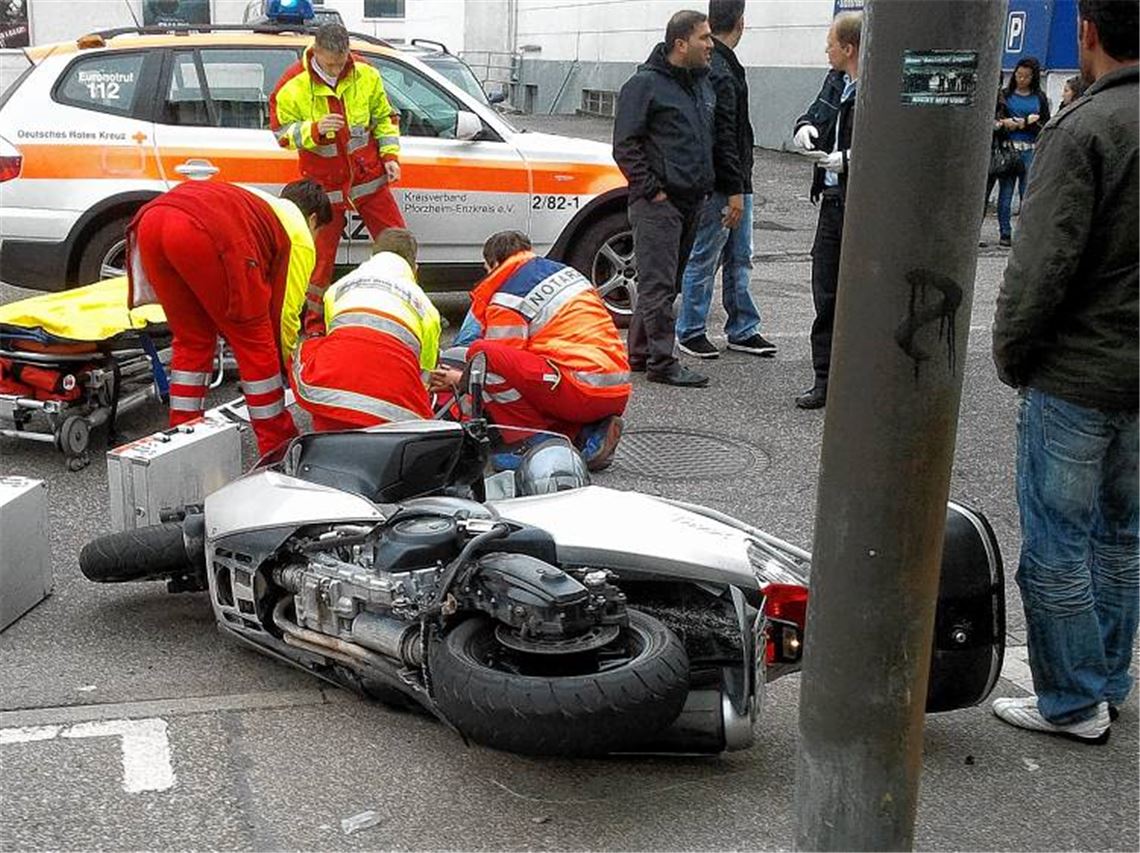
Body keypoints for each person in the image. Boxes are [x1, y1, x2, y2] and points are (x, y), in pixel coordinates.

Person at [991, 0, 1138, 744]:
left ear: (1088, 33)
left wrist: (1012, 353)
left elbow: (1041, 265)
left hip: (1078, 373)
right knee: (1121, 537)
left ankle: (1075, 700)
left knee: (1057, 545)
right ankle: (1106, 680)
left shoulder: (1083, 128)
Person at [127, 179, 332, 455]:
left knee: (192, 340)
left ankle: (183, 434)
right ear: (313, 219)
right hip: (204, 231)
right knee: (254, 342)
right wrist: (286, 369)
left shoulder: (260, 200)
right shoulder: (299, 234)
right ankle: (277, 443)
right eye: (319, 233)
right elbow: (284, 318)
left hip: (151, 220)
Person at [430, 231, 630, 472]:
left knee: (482, 352)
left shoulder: (507, 294)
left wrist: (461, 382)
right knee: (532, 374)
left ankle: (533, 442)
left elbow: (492, 367)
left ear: (494, 263)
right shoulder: (564, 273)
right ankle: (587, 432)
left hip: (579, 389)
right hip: (614, 389)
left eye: (486, 268)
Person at [270, 22, 406, 326]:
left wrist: (390, 157)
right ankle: (313, 324)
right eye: (330, 64)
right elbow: (281, 134)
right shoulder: (293, 83)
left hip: (369, 178)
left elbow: (385, 119)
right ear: (315, 51)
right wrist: (314, 131)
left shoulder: (365, 72)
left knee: (398, 244)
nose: (335, 69)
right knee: (317, 262)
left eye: (341, 62)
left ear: (348, 52)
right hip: (324, 188)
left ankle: (406, 309)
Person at [613, 9, 716, 387]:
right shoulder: (645, 86)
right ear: (680, 43)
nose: (710, 45)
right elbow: (625, 145)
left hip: (691, 200)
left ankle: (641, 353)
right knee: (658, 284)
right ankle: (662, 362)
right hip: (659, 202)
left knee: (666, 283)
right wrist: (653, 190)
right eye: (704, 38)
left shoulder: (699, 85)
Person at [675, 0, 776, 362]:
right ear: (742, 22)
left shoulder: (719, 66)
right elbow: (724, 134)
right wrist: (735, 189)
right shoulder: (721, 70)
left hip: (732, 181)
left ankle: (742, 328)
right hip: (725, 184)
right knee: (710, 256)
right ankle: (690, 329)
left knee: (736, 256)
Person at [291, 228, 440, 431]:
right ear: (415, 268)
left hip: (328, 395)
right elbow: (425, 374)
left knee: (313, 345)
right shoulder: (426, 307)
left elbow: (337, 341)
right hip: (392, 415)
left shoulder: (339, 287)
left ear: (372, 256)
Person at [790, 11, 861, 409]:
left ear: (848, 48)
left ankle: (856, 378)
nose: (826, 50)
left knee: (862, 295)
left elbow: (891, 144)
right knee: (826, 290)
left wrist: (849, 159)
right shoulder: (836, 82)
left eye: (831, 44)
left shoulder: (877, 87)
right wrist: (804, 126)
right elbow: (814, 113)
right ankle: (825, 379)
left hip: (863, 202)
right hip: (832, 202)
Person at [996, 57, 1051, 247]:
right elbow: (1000, 120)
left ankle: (1025, 232)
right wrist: (1023, 122)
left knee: (1027, 193)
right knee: (1006, 192)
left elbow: (1045, 123)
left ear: (1033, 78)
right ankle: (1005, 232)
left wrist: (1024, 123)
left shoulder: (1039, 97)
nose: (1021, 79)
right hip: (1009, 148)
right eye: (1018, 75)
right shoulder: (1006, 95)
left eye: (1026, 76)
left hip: (1031, 148)